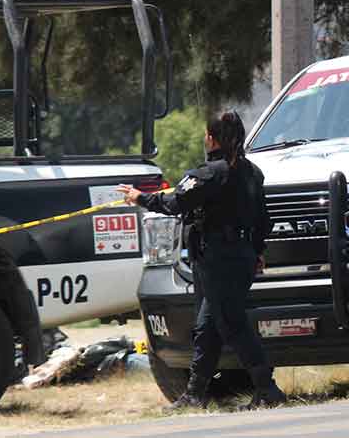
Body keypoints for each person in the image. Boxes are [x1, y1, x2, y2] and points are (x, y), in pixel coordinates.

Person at [118, 111, 285, 410]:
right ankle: (195, 394)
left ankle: (267, 388)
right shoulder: (252, 172)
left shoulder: (208, 173)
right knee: (208, 327)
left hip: (218, 259)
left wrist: (139, 197)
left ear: (211, 138)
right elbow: (264, 220)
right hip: (241, 257)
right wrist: (256, 251)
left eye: (205, 135)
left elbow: (174, 202)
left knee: (232, 324)